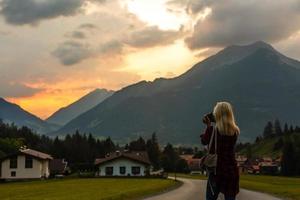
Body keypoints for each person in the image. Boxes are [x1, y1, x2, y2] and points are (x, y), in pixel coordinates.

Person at [201, 102, 240, 200]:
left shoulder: (213, 130)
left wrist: (208, 126)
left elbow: (204, 141)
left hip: (216, 172)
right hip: (231, 171)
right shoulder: (235, 131)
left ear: (217, 114)